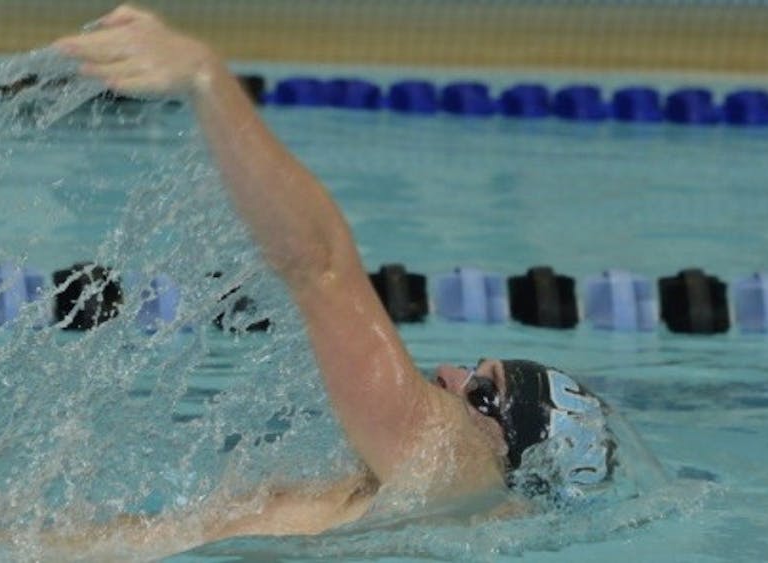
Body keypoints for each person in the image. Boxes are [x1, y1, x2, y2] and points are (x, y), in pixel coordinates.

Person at [49, 4, 615, 557]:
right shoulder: (406, 507)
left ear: (517, 466)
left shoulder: (458, 480)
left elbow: (320, 267)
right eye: (473, 371)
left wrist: (206, 78)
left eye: (483, 395)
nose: (446, 375)